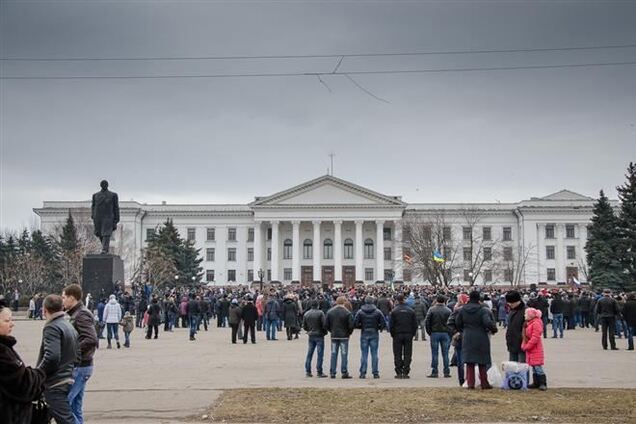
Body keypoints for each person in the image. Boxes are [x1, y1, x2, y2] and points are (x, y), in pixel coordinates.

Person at [0, 300, 47, 424]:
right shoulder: (2, 352)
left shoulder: (5, 347)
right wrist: (38, 375)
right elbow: (24, 384)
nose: (12, 324)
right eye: (7, 321)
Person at [37, 294, 79, 424]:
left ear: (44, 310)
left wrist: (38, 373)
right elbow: (77, 354)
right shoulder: (68, 325)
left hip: (55, 382)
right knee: (41, 417)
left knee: (66, 420)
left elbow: (52, 356)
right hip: (66, 378)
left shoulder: (52, 327)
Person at [62, 284, 98, 424]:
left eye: (64, 297)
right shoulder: (78, 313)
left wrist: (71, 352)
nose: (62, 300)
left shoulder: (81, 314)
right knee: (75, 406)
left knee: (65, 406)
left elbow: (91, 339)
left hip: (80, 365)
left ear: (72, 298)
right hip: (82, 365)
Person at [456, 291, 498, 390]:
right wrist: (493, 329)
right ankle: (484, 383)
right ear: (479, 298)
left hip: (468, 336)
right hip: (481, 336)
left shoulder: (462, 310)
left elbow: (458, 323)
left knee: (470, 361)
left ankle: (470, 383)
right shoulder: (482, 310)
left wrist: (463, 330)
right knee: (482, 360)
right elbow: (487, 322)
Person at [353, 296, 385, 379]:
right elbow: (383, 323)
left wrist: (361, 326)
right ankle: (375, 372)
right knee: (374, 354)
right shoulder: (377, 312)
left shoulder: (360, 312)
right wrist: (379, 328)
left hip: (364, 333)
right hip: (374, 332)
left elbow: (355, 323)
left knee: (364, 354)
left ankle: (363, 373)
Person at [390, 294, 418, 379]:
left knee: (397, 353)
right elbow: (415, 325)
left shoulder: (394, 311)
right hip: (408, 334)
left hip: (397, 334)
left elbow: (391, 325)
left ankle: (398, 372)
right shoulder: (411, 310)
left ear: (397, 301)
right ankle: (406, 371)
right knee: (407, 353)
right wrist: (412, 334)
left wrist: (393, 334)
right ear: (404, 300)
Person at [326, 296, 354, 379]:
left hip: (334, 336)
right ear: (344, 302)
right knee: (344, 354)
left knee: (333, 354)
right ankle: (344, 372)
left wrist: (331, 331)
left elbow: (326, 325)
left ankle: (332, 372)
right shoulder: (347, 312)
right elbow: (351, 325)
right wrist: (349, 333)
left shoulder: (330, 312)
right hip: (344, 336)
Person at [424, 294, 452, 378]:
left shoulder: (432, 309)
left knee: (435, 353)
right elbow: (451, 323)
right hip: (445, 333)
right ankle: (446, 371)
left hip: (435, 332)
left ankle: (435, 371)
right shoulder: (448, 310)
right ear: (444, 301)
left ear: (436, 300)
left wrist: (429, 332)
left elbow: (427, 321)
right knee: (445, 353)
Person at [521, 307, 547, 390]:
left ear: (530, 315)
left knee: (538, 367)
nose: (524, 315)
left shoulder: (536, 323)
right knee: (534, 367)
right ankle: (536, 383)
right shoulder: (529, 323)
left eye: (526, 314)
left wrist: (527, 346)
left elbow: (535, 337)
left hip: (535, 348)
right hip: (531, 349)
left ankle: (543, 383)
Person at [447, 293, 469, 386]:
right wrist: (455, 332)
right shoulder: (457, 310)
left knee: (462, 361)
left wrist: (455, 332)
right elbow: (450, 323)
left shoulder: (457, 310)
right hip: (462, 338)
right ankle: (464, 380)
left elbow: (450, 323)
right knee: (462, 361)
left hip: (462, 337)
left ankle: (465, 380)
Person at [302, 300, 328, 378]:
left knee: (309, 353)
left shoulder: (306, 314)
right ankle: (319, 371)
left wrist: (309, 330)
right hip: (319, 334)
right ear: (317, 305)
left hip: (311, 334)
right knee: (320, 354)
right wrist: (324, 332)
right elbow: (324, 324)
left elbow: (304, 326)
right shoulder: (320, 313)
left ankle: (308, 371)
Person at [505, 290, 527, 363]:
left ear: (518, 301)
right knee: (512, 368)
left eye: (511, 302)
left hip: (522, 344)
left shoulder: (526, 312)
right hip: (512, 343)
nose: (509, 304)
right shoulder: (512, 311)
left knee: (522, 369)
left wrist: (523, 339)